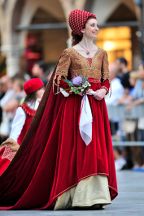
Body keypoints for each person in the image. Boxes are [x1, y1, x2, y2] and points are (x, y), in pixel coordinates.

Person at [0, 9, 118, 210]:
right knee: (77, 147)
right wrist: (79, 89)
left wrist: (103, 90)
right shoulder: (69, 53)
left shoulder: (102, 54)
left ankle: (96, 195)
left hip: (97, 106)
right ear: (80, 28)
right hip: (74, 107)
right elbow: (59, 81)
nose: (96, 28)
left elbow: (106, 79)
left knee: (95, 147)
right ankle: (78, 196)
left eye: (96, 25)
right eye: (92, 25)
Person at [0, 78, 44, 175]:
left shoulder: (41, 105)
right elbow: (14, 133)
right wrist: (12, 149)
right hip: (26, 149)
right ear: (35, 91)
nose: (43, 90)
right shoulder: (23, 109)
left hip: (39, 146)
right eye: (41, 89)